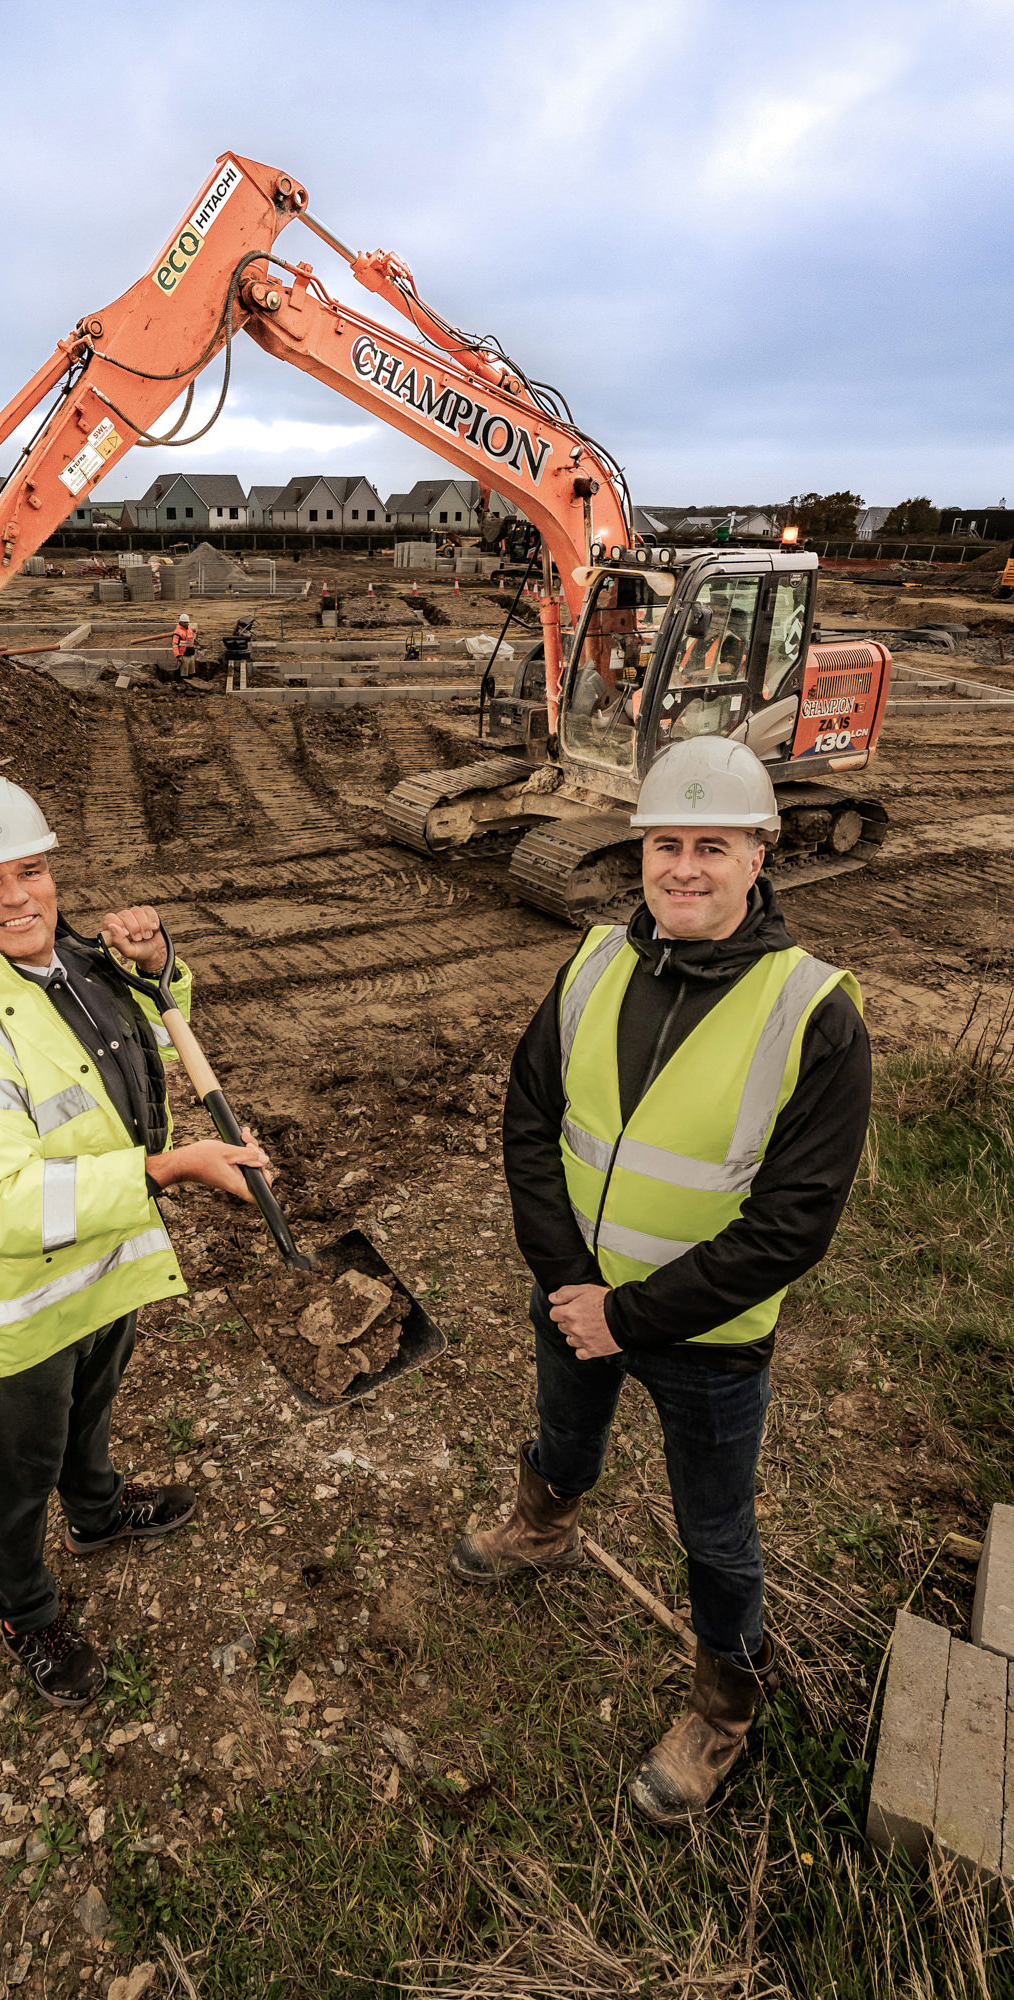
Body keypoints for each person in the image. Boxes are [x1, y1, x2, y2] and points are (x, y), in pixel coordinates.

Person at [451, 739, 871, 1824]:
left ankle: (722, 1708)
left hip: (710, 1341)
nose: (684, 868)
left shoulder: (814, 1009)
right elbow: (531, 1119)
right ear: (640, 850)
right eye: (666, 844)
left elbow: (791, 1225)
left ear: (760, 854)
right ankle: (542, 1525)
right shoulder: (592, 963)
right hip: (571, 1296)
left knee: (716, 1532)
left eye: (712, 845)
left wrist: (626, 1312)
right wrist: (566, 1279)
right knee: (563, 1441)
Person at [0, 776, 270, 1707]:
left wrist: (159, 969)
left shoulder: (82, 970)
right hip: (20, 1305)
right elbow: (4, 1207)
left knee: (90, 1416)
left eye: (32, 869)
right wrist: (168, 1172)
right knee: (18, 1475)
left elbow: (152, 1057)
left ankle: (96, 1515)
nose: (16, 896)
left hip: (104, 1262)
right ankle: (25, 1609)